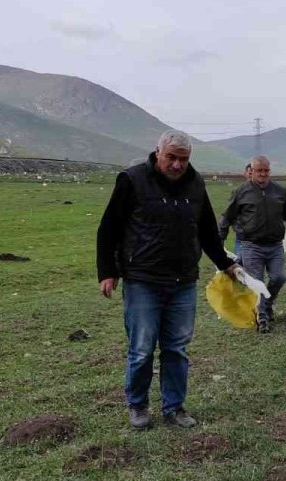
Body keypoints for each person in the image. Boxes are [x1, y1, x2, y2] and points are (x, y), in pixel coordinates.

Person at [97, 130, 238, 430]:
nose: (177, 165)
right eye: (171, 158)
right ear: (157, 152)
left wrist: (225, 264)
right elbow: (109, 227)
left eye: (183, 160)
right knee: (142, 348)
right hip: (142, 279)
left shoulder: (196, 183)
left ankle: (173, 407)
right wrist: (107, 271)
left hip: (183, 281)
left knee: (176, 348)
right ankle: (138, 406)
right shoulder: (132, 180)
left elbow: (207, 230)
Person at [218, 155, 286, 333]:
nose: (262, 174)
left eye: (266, 170)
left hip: (275, 245)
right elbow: (227, 217)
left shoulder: (281, 192)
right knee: (257, 282)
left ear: (270, 171)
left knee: (279, 277)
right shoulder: (241, 192)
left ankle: (266, 305)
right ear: (251, 171)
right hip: (251, 245)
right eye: (259, 170)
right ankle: (262, 318)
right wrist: (219, 240)